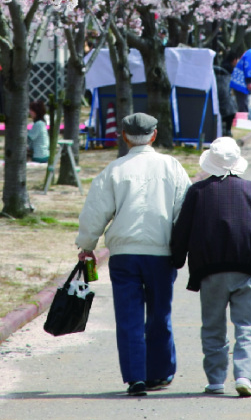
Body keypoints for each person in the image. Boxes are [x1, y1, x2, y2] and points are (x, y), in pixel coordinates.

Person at [75, 112, 190, 396]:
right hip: (161, 252)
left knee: (128, 317)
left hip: (124, 254)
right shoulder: (172, 166)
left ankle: (135, 377)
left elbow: (95, 213)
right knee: (159, 314)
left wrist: (87, 245)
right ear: (154, 135)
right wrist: (181, 245)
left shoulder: (114, 170)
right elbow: (183, 212)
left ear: (124, 136)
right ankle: (160, 373)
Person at [170, 137, 251, 397]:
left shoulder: (197, 192)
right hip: (250, 268)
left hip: (210, 269)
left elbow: (181, 231)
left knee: (213, 326)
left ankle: (215, 380)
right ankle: (244, 376)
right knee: (248, 326)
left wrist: (176, 260)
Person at [214, 50, 239, 136]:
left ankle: (224, 129)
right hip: (224, 94)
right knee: (231, 110)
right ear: (234, 60)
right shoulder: (228, 69)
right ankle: (227, 129)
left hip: (219, 93)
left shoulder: (222, 66)